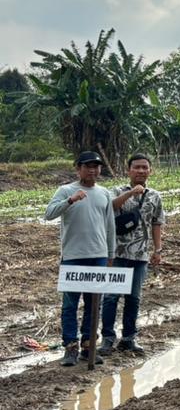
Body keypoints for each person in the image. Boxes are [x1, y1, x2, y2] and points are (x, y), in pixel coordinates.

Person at [45, 151, 116, 367]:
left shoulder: (104, 193)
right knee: (69, 305)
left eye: (96, 166)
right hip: (73, 257)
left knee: (94, 304)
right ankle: (70, 347)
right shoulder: (66, 190)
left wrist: (111, 254)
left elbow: (109, 226)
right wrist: (70, 200)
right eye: (87, 166)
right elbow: (49, 214)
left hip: (98, 256)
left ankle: (88, 345)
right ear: (78, 169)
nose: (92, 170)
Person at [101, 153, 166, 356]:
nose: (140, 171)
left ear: (150, 171)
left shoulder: (155, 196)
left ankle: (129, 338)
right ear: (128, 170)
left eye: (144, 167)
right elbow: (110, 208)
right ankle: (108, 338)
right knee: (111, 297)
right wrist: (131, 194)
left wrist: (158, 249)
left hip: (140, 256)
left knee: (134, 298)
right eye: (136, 167)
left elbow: (157, 223)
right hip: (117, 254)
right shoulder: (118, 191)